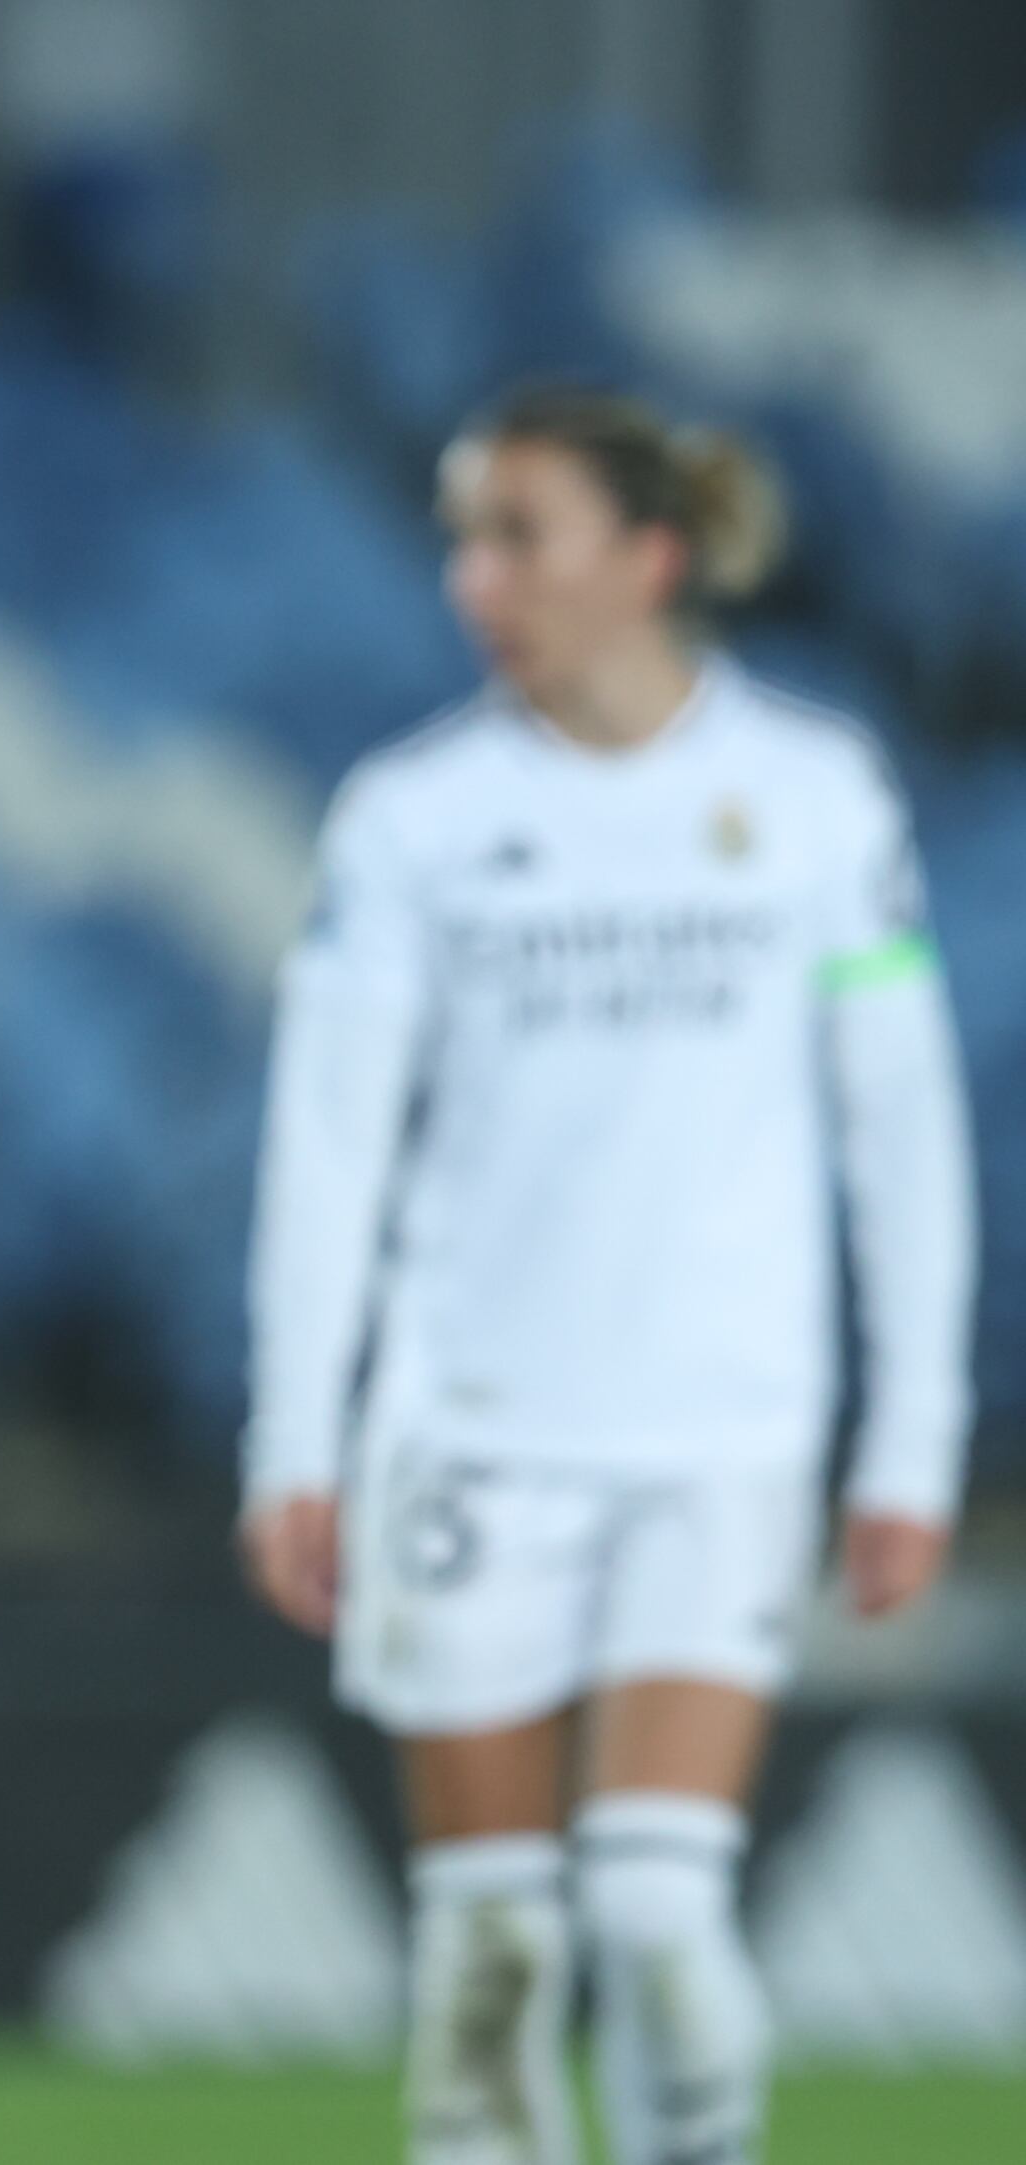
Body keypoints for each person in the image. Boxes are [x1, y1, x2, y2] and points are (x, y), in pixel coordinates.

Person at [241, 385, 977, 2165]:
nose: (473, 578)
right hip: (472, 1433)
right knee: (489, 1953)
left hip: (722, 1428)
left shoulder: (809, 796)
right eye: (463, 537)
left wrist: (910, 1443)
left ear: (649, 559)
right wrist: (297, 1439)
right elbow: (329, 1144)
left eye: (517, 534)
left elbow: (904, 1130)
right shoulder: (411, 818)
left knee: (655, 1906)